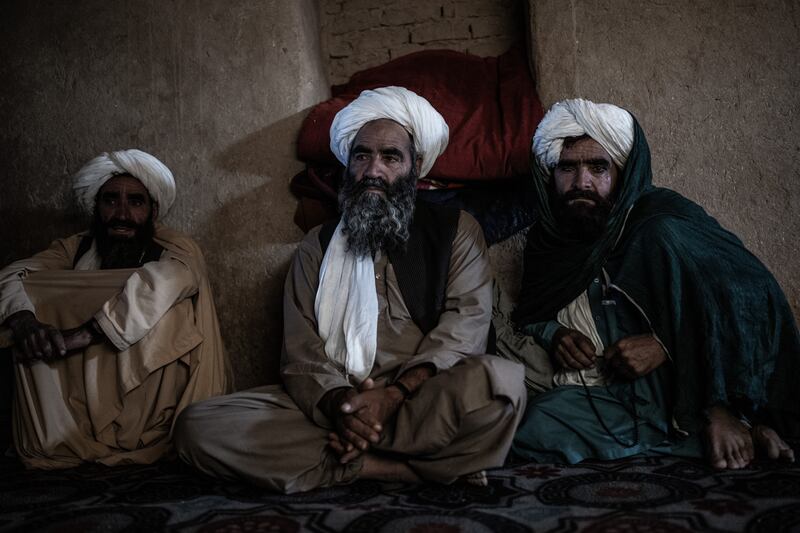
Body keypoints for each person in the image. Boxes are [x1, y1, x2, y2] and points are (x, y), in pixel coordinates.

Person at [175, 86, 527, 493]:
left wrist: (395, 394)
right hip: (338, 403)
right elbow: (301, 350)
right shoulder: (318, 245)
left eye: (390, 157)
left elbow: (466, 327)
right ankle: (398, 468)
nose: (373, 170)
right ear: (348, 164)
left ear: (415, 168)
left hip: (422, 397)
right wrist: (343, 405)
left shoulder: (456, 230)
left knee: (500, 385)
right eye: (362, 156)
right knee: (198, 426)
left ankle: (345, 457)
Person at [510, 98, 798, 470]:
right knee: (533, 429)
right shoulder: (548, 239)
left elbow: (751, 298)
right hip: (601, 392)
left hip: (679, 388)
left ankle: (727, 419)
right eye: (567, 168)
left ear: (624, 172)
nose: (581, 182)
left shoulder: (661, 226)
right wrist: (556, 334)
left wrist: (664, 345)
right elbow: (532, 311)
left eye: (598, 167)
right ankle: (715, 438)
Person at [0, 149, 232, 469]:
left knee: (172, 306)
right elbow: (12, 275)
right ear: (96, 207)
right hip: (76, 390)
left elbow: (172, 278)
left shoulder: (174, 248)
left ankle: (135, 431)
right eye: (111, 201)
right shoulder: (77, 246)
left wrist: (86, 333)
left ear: (153, 211)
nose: (122, 214)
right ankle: (65, 433)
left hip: (145, 401)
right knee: (32, 296)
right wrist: (25, 322)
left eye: (135, 202)